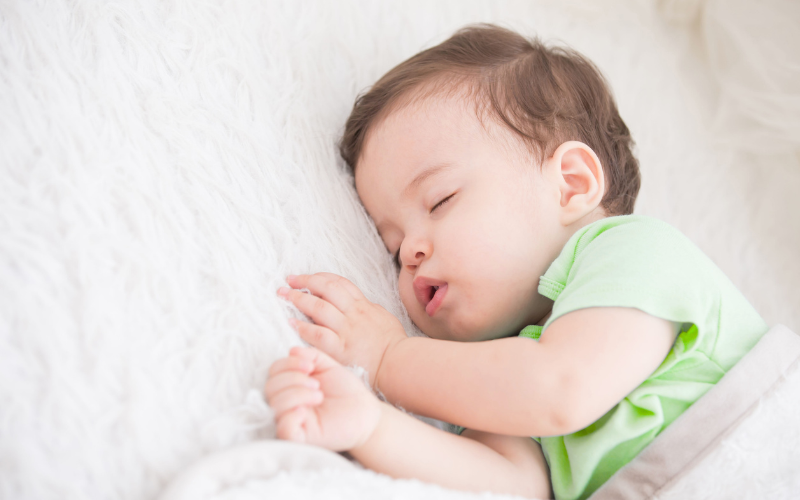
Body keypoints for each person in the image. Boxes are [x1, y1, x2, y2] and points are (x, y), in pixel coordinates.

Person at [263, 24, 767, 500]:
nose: (410, 252)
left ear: (571, 184)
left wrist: (388, 359)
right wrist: (370, 426)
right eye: (392, 249)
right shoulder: (500, 365)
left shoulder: (635, 252)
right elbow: (512, 486)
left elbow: (560, 388)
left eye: (440, 201)